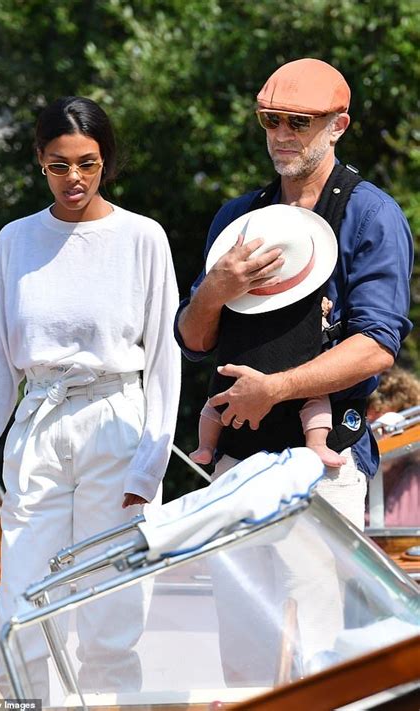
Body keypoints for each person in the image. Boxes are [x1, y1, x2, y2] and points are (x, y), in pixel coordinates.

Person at [174, 58, 413, 684]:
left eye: (298, 122)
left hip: (322, 461)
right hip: (236, 463)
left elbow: (377, 345)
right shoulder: (237, 217)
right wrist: (214, 289)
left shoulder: (372, 215)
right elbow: (194, 342)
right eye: (270, 120)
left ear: (338, 126)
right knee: (246, 660)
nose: (281, 134)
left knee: (318, 656)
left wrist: (275, 388)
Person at [0, 96, 181, 698]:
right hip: (39, 422)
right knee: (23, 600)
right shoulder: (16, 240)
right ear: (40, 162)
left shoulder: (142, 238)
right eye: (60, 165)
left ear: (105, 161)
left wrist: (152, 460)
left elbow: (164, 357)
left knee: (113, 605)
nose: (74, 178)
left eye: (87, 163)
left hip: (117, 421)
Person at [190, 296, 346, 468]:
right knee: (218, 397)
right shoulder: (243, 299)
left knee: (216, 401)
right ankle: (317, 444)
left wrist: (320, 312)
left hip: (287, 373)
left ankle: (205, 446)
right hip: (257, 369)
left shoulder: (303, 299)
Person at [367, 365, 420, 527]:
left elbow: (393, 528)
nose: (380, 436)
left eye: (387, 427)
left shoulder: (413, 476)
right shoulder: (356, 471)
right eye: (372, 425)